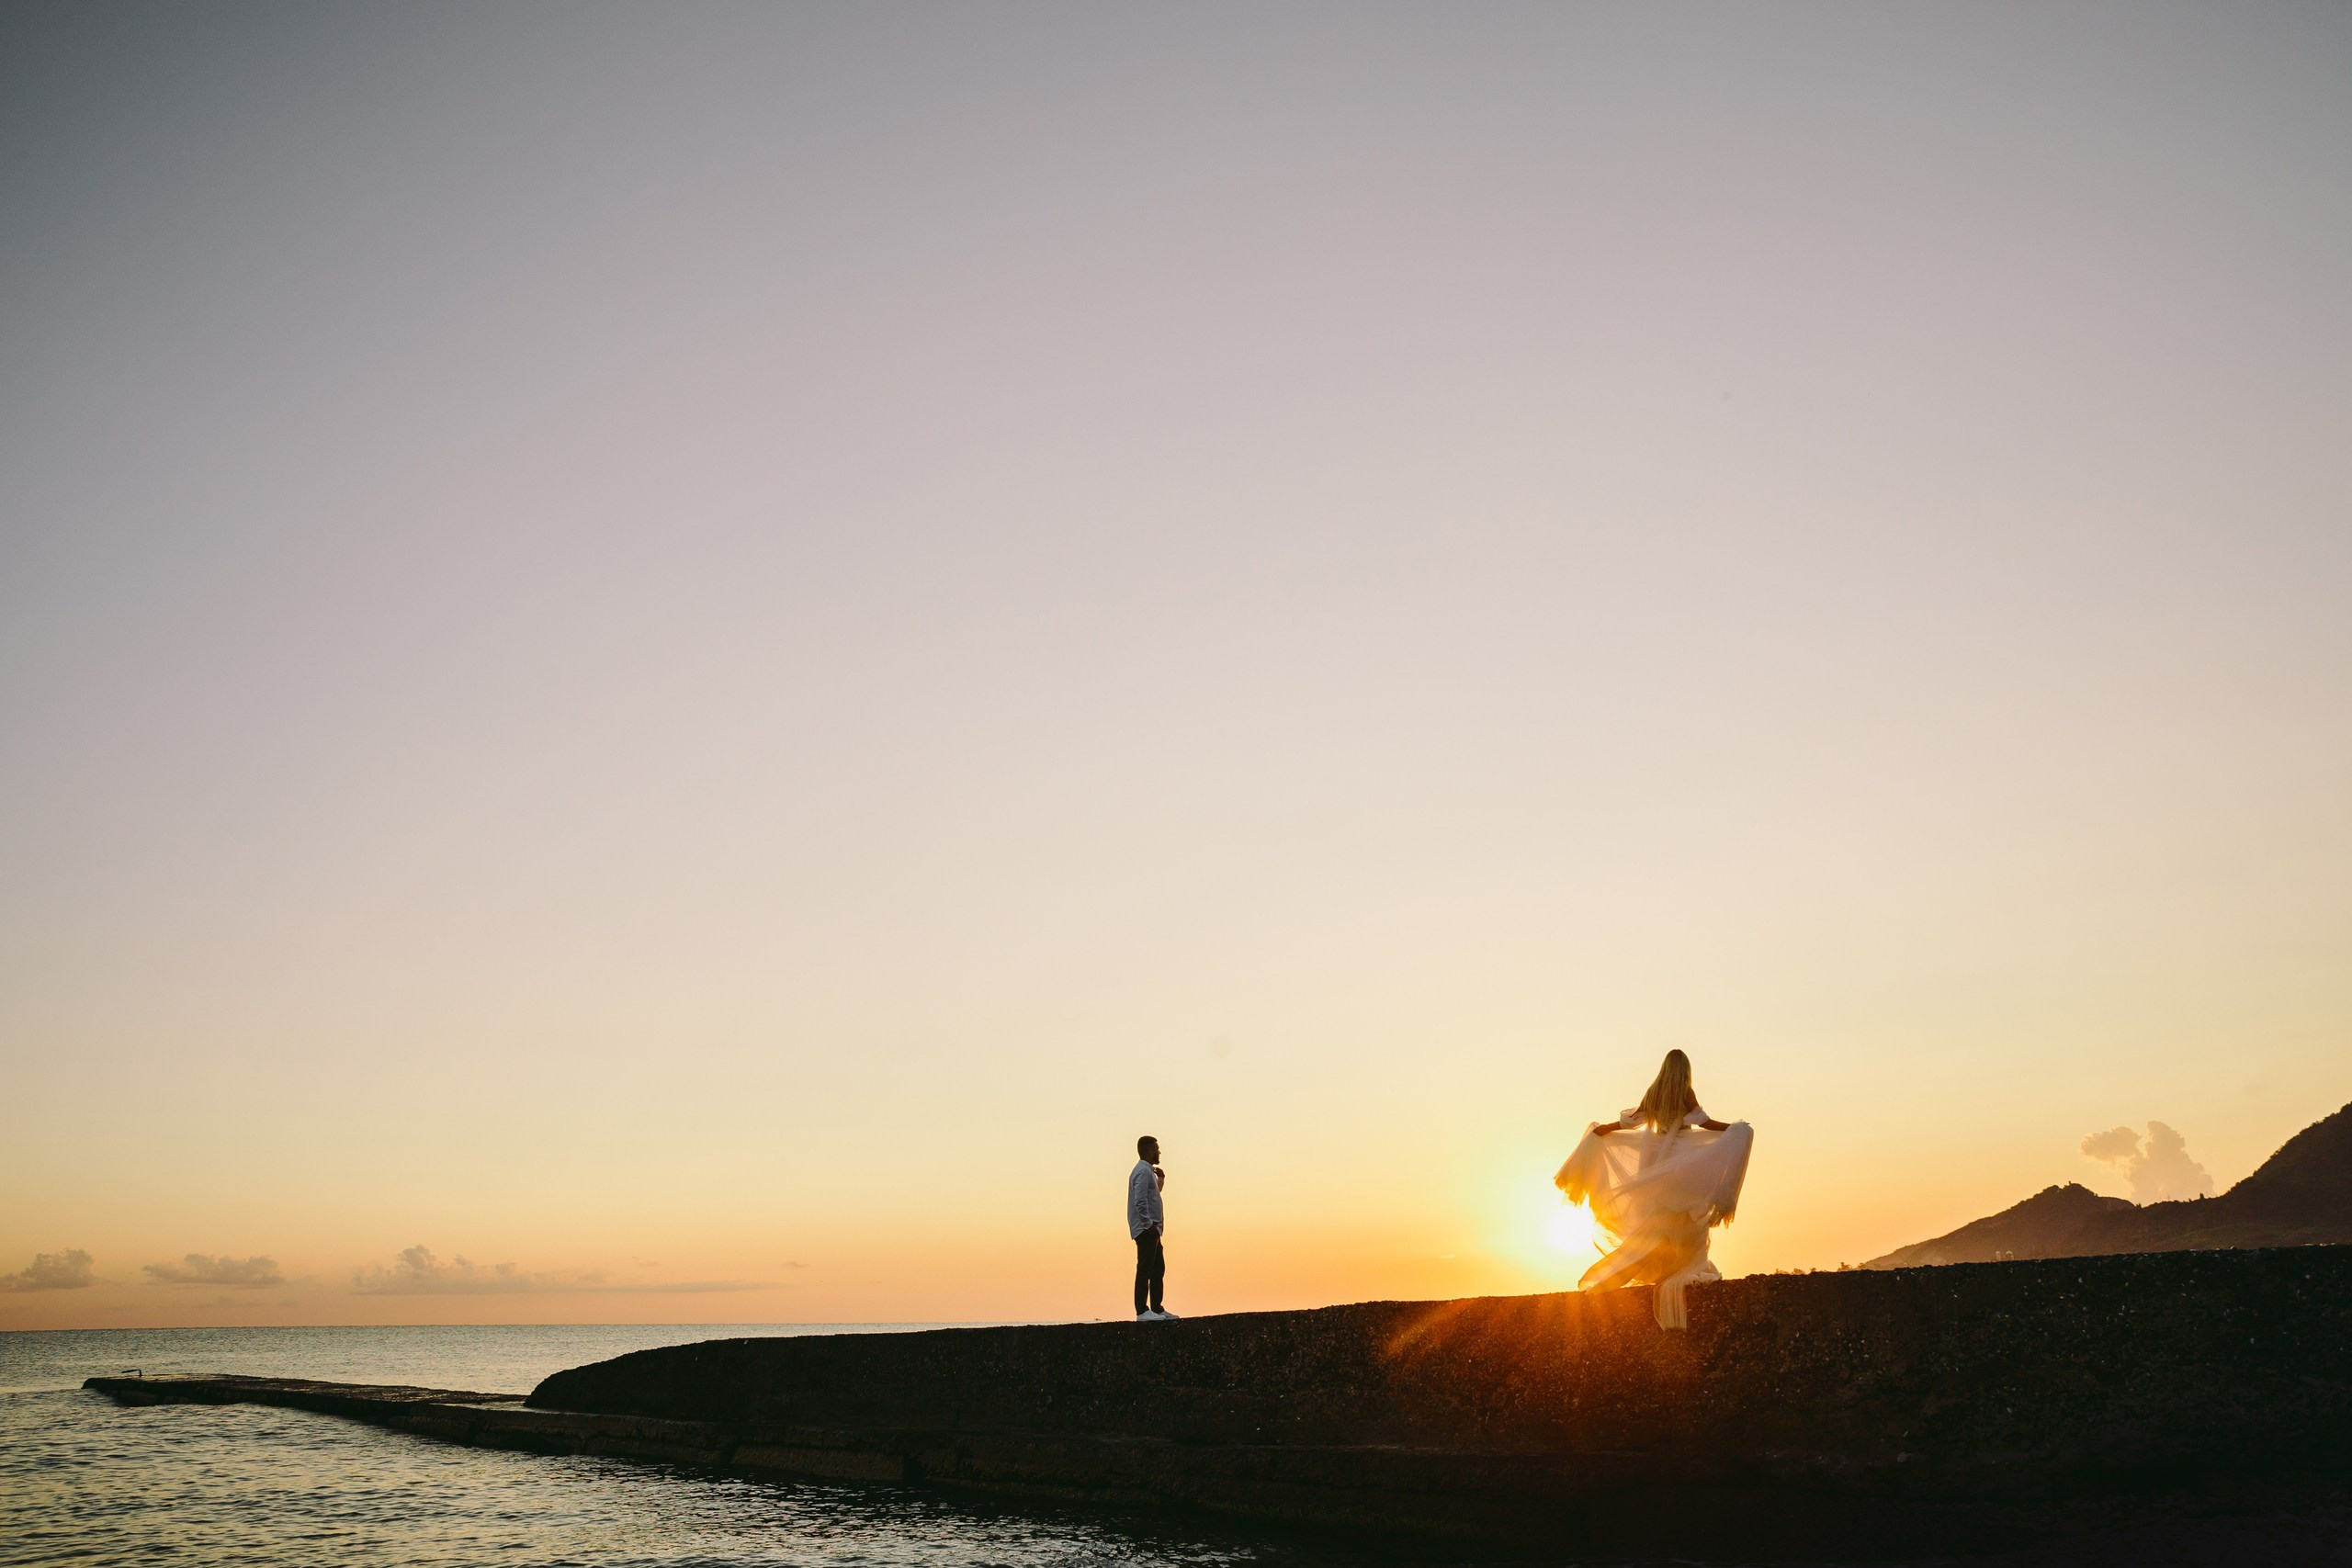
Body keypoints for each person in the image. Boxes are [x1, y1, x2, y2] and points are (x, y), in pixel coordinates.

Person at [1553, 1049, 1753, 1330]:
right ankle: (1672, 1270)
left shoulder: (1654, 1092)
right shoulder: (1686, 1093)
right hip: (1680, 1166)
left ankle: (1610, 1280)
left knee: (1651, 1232)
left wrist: (1602, 1131)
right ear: (1684, 1070)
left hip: (1654, 1166)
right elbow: (1704, 1123)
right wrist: (1735, 1129)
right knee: (1685, 1225)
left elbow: (1630, 1122)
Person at [1127, 1134, 1177, 1320]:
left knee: (1157, 1269)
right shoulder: (1142, 1171)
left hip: (1152, 1229)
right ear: (1149, 1150)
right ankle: (1142, 1310)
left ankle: (1156, 1308)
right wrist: (1148, 1226)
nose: (1159, 1152)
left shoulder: (1147, 1172)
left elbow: (1151, 1194)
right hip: (1147, 1230)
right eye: (1156, 1148)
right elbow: (1140, 1201)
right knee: (1145, 1268)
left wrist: (1161, 1180)